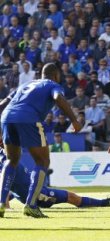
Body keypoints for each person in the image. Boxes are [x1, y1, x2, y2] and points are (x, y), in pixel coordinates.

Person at [0, 63, 82, 218]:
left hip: (7, 118)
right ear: (56, 75)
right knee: (42, 161)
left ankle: (1, 204)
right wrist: (74, 120)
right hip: (29, 118)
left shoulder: (26, 84)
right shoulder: (53, 85)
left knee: (11, 160)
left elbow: (3, 104)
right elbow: (58, 98)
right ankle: (31, 205)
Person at [0, 148, 110, 209]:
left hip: (31, 189)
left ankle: (104, 203)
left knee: (71, 196)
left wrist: (10, 198)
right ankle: (105, 203)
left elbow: (11, 185)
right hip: (38, 194)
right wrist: (6, 207)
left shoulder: (7, 157)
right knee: (71, 197)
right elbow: (4, 183)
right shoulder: (4, 162)